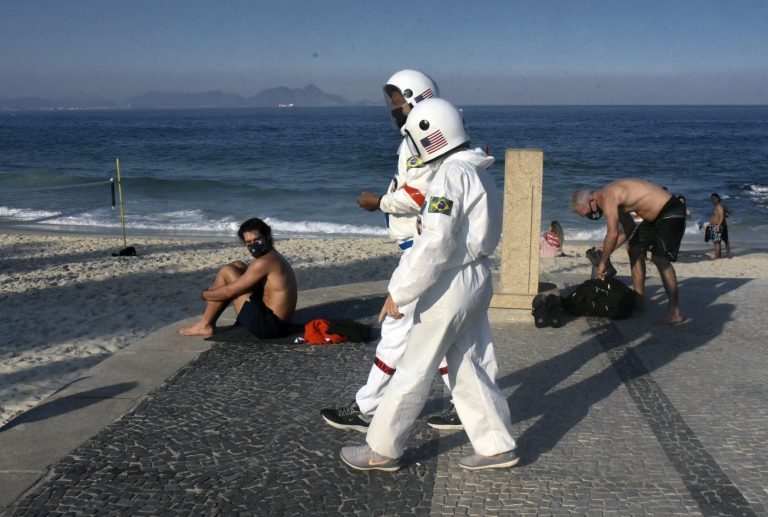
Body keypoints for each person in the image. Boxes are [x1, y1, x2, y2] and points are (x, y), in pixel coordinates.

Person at [340, 98, 518, 472]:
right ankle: (497, 445)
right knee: (467, 364)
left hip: (451, 282)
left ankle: (382, 451)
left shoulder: (450, 175)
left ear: (428, 136)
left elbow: (437, 241)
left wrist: (401, 291)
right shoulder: (478, 169)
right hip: (477, 275)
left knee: (413, 367)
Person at [322, 70, 463, 433]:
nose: (393, 107)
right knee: (436, 334)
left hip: (420, 250)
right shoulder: (426, 136)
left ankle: (368, 406)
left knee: (396, 329)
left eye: (398, 100)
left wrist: (378, 202)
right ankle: (464, 404)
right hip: (424, 249)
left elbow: (418, 195)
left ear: (416, 99)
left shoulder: (421, 140)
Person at [570, 179, 686, 325]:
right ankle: (640, 300)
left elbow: (612, 233)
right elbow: (628, 227)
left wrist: (603, 262)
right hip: (653, 218)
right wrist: (607, 249)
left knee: (659, 258)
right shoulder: (610, 198)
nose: (591, 216)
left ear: (592, 200)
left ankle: (675, 311)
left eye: (588, 213)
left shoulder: (608, 197)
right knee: (633, 249)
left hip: (670, 210)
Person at [179, 218, 297, 338]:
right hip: (279, 324)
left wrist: (205, 294)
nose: (253, 245)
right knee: (237, 265)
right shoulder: (273, 256)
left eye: (256, 240)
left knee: (227, 271)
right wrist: (216, 293)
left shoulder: (264, 262)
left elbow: (230, 291)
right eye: (249, 242)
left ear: (267, 236)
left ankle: (205, 325)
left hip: (270, 327)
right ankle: (206, 323)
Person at [707, 193, 726, 260]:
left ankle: (716, 257)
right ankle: (719, 256)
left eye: (714, 198)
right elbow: (714, 216)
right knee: (716, 241)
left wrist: (718, 225)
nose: (713, 200)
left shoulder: (719, 206)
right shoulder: (715, 206)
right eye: (712, 199)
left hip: (717, 226)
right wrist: (710, 223)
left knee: (717, 242)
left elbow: (722, 216)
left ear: (718, 198)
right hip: (713, 225)